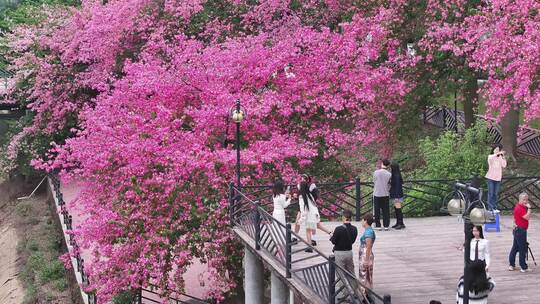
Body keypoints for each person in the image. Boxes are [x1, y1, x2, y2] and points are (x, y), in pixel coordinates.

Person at [297, 181, 331, 252]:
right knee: (318, 226)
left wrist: (300, 220)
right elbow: (314, 205)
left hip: (309, 215)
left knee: (308, 230)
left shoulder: (301, 197)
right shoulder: (309, 194)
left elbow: (303, 210)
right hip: (315, 213)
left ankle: (309, 247)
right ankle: (331, 233)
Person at [330, 210, 358, 295]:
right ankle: (355, 292)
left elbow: (334, 241)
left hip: (339, 253)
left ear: (344, 217)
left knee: (340, 274)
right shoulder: (354, 229)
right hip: (349, 252)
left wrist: (332, 236)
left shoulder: (338, 229)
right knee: (351, 273)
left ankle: (347, 294)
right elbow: (352, 241)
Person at [508, 192, 532, 272]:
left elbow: (515, 218)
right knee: (522, 249)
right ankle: (523, 267)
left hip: (517, 229)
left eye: (527, 200)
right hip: (520, 231)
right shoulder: (519, 208)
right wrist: (529, 209)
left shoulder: (521, 206)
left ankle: (511, 265)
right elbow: (527, 217)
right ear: (520, 199)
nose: (526, 201)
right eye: (524, 199)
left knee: (515, 247)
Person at [485, 144, 507, 210]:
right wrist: (499, 153)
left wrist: (503, 157)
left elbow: (504, 165)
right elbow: (491, 158)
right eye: (496, 149)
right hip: (490, 178)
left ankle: (494, 208)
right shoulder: (490, 156)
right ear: (493, 150)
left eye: (498, 149)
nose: (497, 151)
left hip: (498, 179)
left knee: (495, 194)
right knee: (490, 194)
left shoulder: (499, 157)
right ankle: (490, 208)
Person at [373, 159, 391, 230]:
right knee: (386, 210)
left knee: (377, 210)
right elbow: (389, 184)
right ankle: (386, 225)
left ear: (382, 163)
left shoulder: (376, 172)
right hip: (385, 193)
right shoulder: (389, 174)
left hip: (377, 193)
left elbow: (374, 181)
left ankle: (378, 226)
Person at [359, 213, 376, 290]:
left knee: (364, 275)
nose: (361, 222)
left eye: (362, 220)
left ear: (365, 221)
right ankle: (367, 293)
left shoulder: (368, 232)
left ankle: (365, 294)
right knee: (367, 275)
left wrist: (366, 259)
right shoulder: (368, 231)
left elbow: (368, 246)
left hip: (365, 254)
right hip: (365, 254)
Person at [390, 161, 406, 229]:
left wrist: (396, 196)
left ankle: (401, 223)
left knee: (398, 209)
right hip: (396, 194)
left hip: (397, 194)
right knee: (396, 209)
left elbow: (397, 186)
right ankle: (398, 222)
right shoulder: (396, 174)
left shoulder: (396, 176)